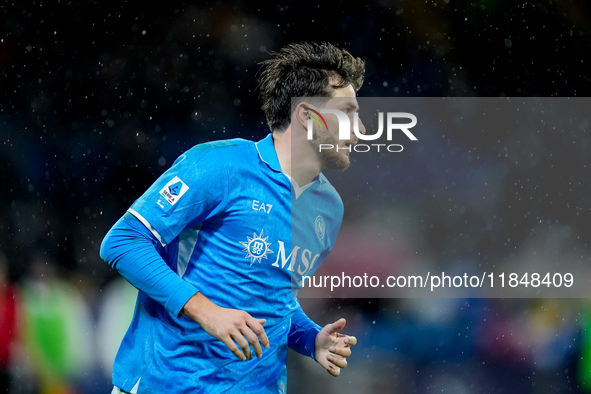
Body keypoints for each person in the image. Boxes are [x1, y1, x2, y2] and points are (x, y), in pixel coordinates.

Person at [100, 41, 366, 393]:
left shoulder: (328, 208)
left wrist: (310, 339)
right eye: (347, 112)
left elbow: (277, 298)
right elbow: (122, 242)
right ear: (306, 115)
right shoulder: (218, 166)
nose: (360, 128)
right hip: (169, 382)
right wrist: (206, 311)